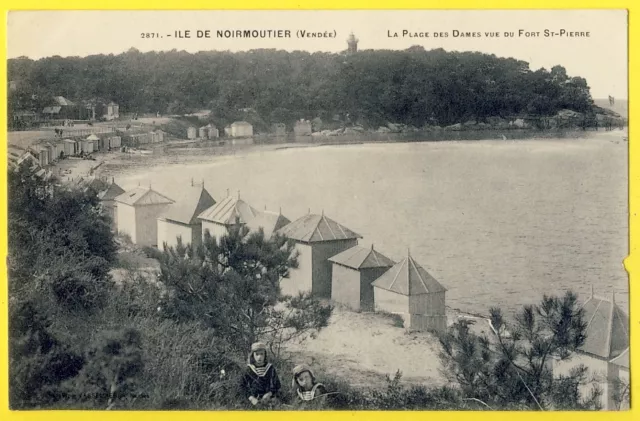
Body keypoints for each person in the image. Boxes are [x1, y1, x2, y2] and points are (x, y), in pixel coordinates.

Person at [240, 342, 281, 407]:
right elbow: (242, 386)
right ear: (253, 355)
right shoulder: (249, 369)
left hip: (269, 399)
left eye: (262, 354)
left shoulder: (270, 368)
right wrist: (251, 398)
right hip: (253, 400)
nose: (259, 357)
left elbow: (277, 385)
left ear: (265, 355)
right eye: (257, 354)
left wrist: (269, 394)